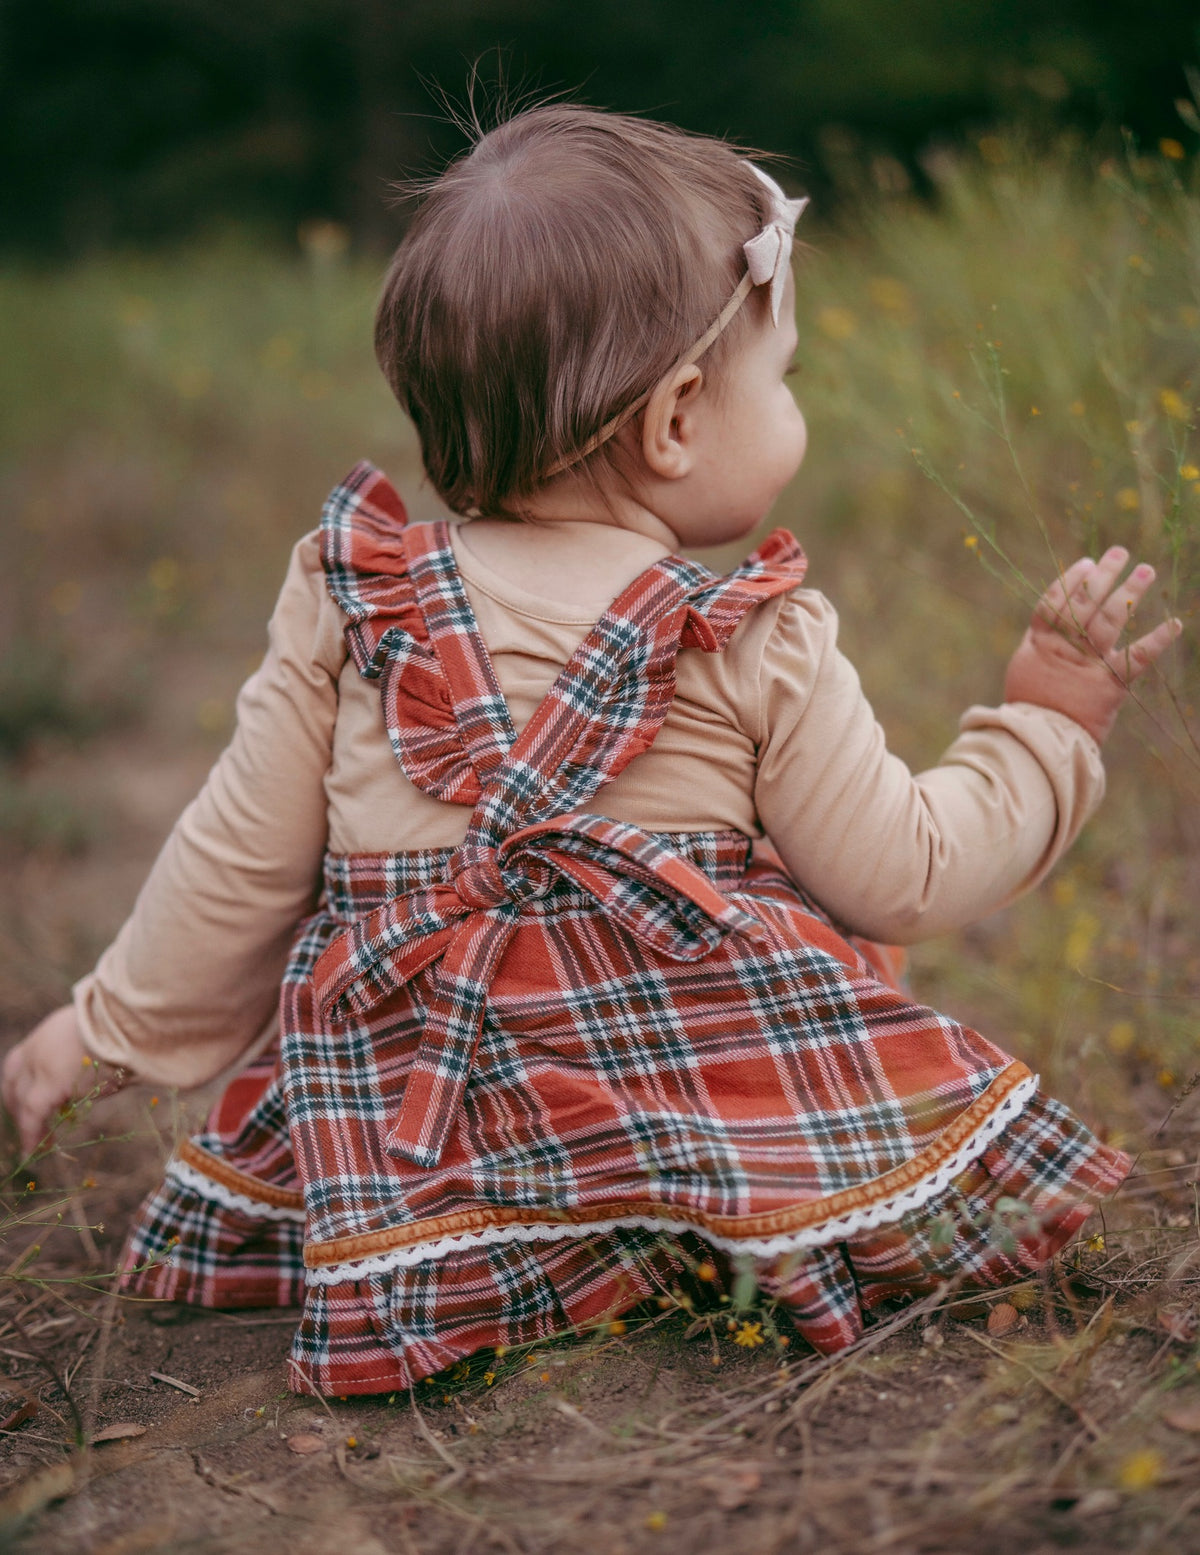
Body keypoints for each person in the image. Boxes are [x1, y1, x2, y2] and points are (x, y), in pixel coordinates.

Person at [2, 105, 1181, 1395]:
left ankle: (500, 1258)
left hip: (427, 1167)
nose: (795, 411)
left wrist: (100, 1029)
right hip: (700, 1146)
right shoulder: (749, 635)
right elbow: (905, 872)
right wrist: (1046, 724)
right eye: (781, 380)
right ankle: (695, 1229)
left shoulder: (353, 602)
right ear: (677, 419)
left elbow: (239, 862)